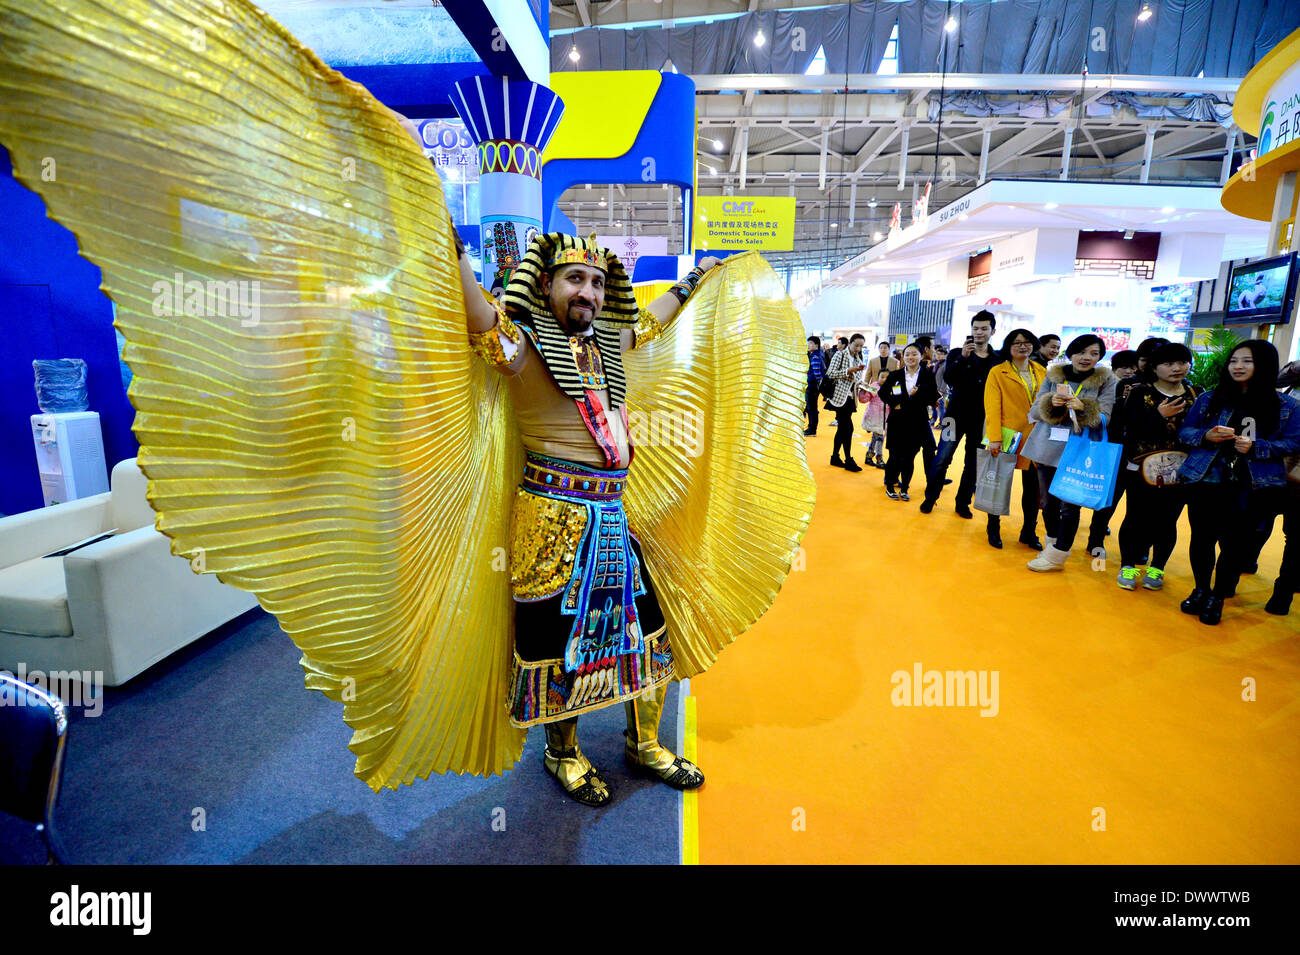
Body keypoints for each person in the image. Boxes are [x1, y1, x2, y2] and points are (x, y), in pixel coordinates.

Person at [1176, 340, 1300, 625]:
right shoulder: (1210, 398)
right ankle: (1201, 589)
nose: (1238, 367)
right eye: (1234, 361)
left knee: (1234, 546)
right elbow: (1185, 431)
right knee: (1202, 539)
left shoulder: (1287, 405)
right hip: (1206, 478)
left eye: (1247, 361)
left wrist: (1258, 447)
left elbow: (1294, 442)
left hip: (1253, 484)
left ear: (1265, 366)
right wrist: (1206, 436)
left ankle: (1218, 597)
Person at [1020, 334, 1117, 572]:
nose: (1087, 358)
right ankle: (1051, 545)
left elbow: (1107, 417)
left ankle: (1058, 555)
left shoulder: (1106, 380)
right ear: (1071, 353)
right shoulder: (1055, 375)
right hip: (1046, 445)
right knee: (1047, 502)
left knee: (1070, 505)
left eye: (1094, 354)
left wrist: (1085, 408)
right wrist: (1051, 402)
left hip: (1078, 450)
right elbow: (1035, 409)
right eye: (1082, 352)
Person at [1113, 343, 1198, 591]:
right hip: (1142, 468)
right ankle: (1128, 565)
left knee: (1167, 520)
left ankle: (1157, 567)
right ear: (1155, 367)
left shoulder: (1196, 393)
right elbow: (1128, 430)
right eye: (1168, 363)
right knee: (1136, 517)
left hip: (1181, 470)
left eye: (1182, 362)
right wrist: (1157, 416)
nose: (1176, 368)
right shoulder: (1140, 392)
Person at [919, 311, 999, 518]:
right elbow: (950, 379)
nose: (979, 332)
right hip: (953, 417)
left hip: (982, 420)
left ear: (993, 331)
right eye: (976, 328)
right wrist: (963, 358)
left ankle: (962, 503)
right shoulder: (956, 353)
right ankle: (930, 497)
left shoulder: (998, 359)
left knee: (972, 463)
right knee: (942, 457)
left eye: (984, 328)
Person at [982, 329, 1046, 550]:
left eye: (1027, 342)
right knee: (998, 485)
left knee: (1033, 489)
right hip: (1007, 436)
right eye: (1017, 342)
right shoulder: (997, 372)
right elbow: (992, 407)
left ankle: (1029, 532)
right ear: (1008, 346)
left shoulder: (1041, 370)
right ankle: (993, 528)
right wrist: (994, 438)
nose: (1022, 346)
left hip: (1035, 437)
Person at [880, 342, 939, 501]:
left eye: (914, 354)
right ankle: (890, 486)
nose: (910, 357)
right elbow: (883, 393)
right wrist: (894, 403)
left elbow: (933, 396)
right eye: (907, 354)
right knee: (894, 456)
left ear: (921, 356)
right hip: (897, 421)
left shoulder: (928, 375)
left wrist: (918, 395)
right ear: (903, 357)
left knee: (909, 456)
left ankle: (905, 487)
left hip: (917, 421)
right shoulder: (895, 375)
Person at [827, 333, 867, 472]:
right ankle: (848, 459)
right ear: (849, 343)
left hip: (850, 397)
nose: (858, 348)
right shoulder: (840, 355)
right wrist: (847, 371)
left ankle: (835, 456)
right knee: (847, 428)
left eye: (861, 346)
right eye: (856, 345)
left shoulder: (857, 358)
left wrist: (866, 386)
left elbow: (857, 379)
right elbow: (830, 373)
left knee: (843, 429)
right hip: (839, 397)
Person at [805, 336, 826, 436]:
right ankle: (811, 428)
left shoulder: (815, 356)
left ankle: (812, 429)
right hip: (814, 386)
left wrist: (818, 385)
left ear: (816, 345)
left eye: (811, 343)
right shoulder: (819, 355)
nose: (808, 345)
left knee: (811, 409)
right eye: (808, 343)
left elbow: (817, 374)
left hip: (812, 386)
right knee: (812, 408)